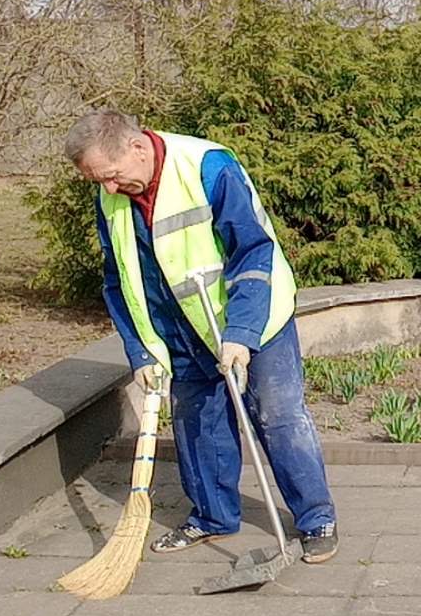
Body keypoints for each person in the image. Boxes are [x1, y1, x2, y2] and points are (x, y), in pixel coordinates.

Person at [63, 109, 339, 561]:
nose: (108, 189)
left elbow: (254, 250)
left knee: (278, 417)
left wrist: (242, 334)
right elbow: (118, 280)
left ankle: (316, 518)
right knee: (198, 424)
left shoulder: (209, 167)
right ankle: (212, 517)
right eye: (98, 181)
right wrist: (140, 350)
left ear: (136, 147)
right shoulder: (110, 196)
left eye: (111, 177)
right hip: (178, 329)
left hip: (252, 317)